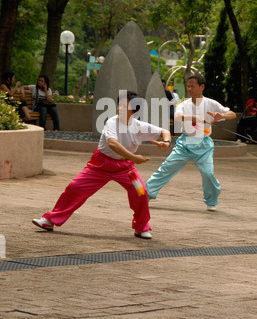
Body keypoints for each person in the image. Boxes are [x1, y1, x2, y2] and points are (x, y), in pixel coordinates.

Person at [32, 91, 172, 239]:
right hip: (100, 165)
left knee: (141, 192)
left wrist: (166, 142)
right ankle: (50, 220)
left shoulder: (139, 126)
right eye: (119, 104)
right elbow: (113, 144)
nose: (119, 108)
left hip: (126, 168)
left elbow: (165, 131)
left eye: (125, 106)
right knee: (75, 188)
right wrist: (133, 157)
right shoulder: (112, 122)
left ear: (135, 110)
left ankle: (141, 227)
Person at [146, 74, 236, 212]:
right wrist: (192, 117)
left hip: (204, 145)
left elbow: (232, 114)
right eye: (188, 86)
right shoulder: (184, 104)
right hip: (184, 144)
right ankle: (147, 193)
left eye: (192, 86)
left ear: (202, 87)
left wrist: (222, 116)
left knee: (208, 173)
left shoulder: (211, 103)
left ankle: (211, 200)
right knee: (166, 168)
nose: (189, 89)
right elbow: (177, 116)